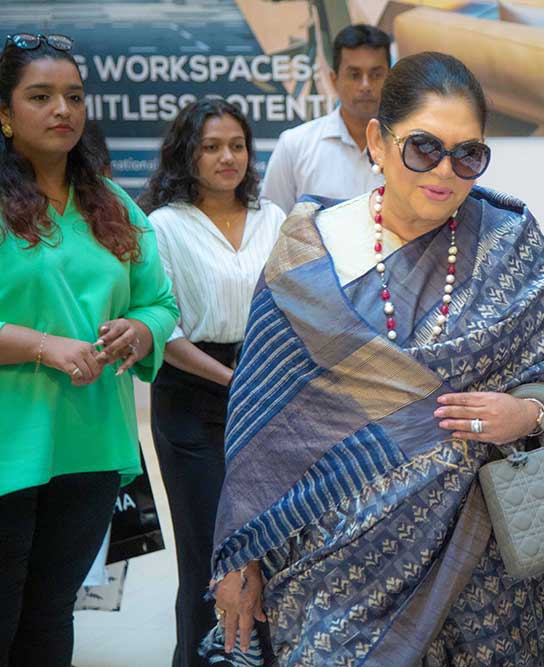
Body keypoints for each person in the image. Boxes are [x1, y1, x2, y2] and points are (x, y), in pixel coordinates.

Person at [204, 51, 544, 667]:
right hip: (329, 575)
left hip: (478, 574)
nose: (445, 171)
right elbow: (261, 430)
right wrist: (240, 554)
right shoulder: (309, 252)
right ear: (377, 142)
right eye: (424, 148)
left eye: (468, 154)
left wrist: (527, 414)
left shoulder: (512, 245)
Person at [0, 34, 178, 666]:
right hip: (10, 446)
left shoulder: (112, 201)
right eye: (40, 96)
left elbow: (160, 301)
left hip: (91, 446)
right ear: (4, 114)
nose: (62, 110)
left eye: (74, 97)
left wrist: (141, 330)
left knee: (51, 614)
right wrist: (41, 345)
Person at [138, 97, 285, 667]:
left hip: (266, 394)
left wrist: (261, 380)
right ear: (187, 154)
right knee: (210, 554)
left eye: (237, 146)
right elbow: (165, 330)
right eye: (212, 147)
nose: (228, 157)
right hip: (192, 397)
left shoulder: (275, 218)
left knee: (268, 550)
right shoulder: (163, 225)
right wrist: (231, 378)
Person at [261, 24, 390, 212]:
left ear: (390, 79)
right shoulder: (295, 145)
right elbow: (273, 222)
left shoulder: (407, 147)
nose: (365, 85)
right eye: (354, 75)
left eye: (376, 74)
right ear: (333, 80)